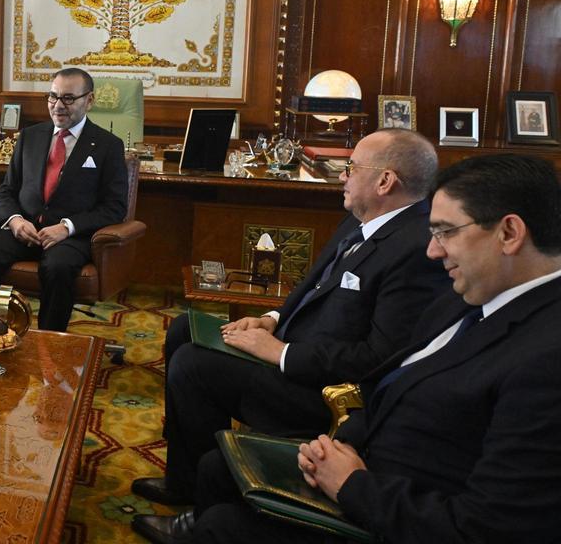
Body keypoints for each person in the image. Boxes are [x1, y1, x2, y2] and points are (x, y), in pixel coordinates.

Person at [158, 154, 561, 543]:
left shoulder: (545, 360)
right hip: (361, 457)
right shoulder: (470, 295)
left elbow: (485, 529)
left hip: (393, 506)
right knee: (217, 468)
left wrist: (352, 484)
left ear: (509, 233)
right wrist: (344, 440)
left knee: (223, 526)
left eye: (445, 232)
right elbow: (389, 376)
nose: (433, 250)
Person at [131, 128, 451, 541]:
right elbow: (312, 287)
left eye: (351, 167)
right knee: (183, 328)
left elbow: (379, 356)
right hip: (291, 347)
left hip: (319, 388)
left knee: (194, 366)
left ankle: (196, 497)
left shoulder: (413, 250)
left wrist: (280, 352)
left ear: (385, 181)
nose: (342, 176)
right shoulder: (362, 218)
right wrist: (270, 319)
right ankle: (184, 480)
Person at [0, 67, 128, 331]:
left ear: (90, 100)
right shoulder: (30, 136)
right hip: (24, 229)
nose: (58, 106)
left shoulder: (108, 145)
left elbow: (114, 208)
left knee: (57, 268)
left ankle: (49, 343)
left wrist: (67, 227)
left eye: (68, 98)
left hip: (71, 237)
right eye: (52, 97)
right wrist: (15, 221)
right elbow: (7, 190)